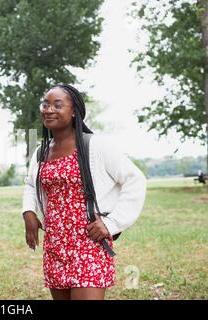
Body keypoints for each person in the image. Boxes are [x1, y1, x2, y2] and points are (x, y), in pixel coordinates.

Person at [21, 84, 146, 300]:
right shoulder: (41, 152)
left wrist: (112, 223)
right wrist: (29, 213)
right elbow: (32, 184)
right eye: (45, 104)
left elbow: (135, 180)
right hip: (55, 245)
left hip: (88, 243)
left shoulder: (96, 146)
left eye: (57, 105)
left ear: (75, 112)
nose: (49, 109)